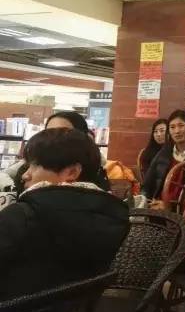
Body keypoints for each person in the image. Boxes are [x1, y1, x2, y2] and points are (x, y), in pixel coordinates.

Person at [0, 128, 129, 300]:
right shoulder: (112, 217)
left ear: (72, 172)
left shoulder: (23, 215)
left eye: (35, 165)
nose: (25, 175)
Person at [8, 111, 110, 194]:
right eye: (48, 132)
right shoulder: (32, 161)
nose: (53, 137)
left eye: (62, 131)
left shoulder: (96, 170)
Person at [142, 109, 185, 208]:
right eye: (172, 127)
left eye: (181, 125)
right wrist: (144, 201)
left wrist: (169, 206)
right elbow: (148, 183)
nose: (177, 131)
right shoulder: (164, 153)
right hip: (158, 206)